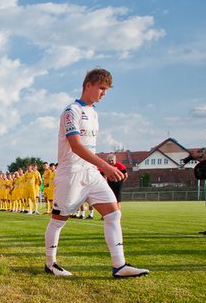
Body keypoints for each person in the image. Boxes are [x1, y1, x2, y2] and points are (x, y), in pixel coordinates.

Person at [44, 67, 149, 278]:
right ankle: (50, 264)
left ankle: (119, 266)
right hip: (71, 174)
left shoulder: (94, 113)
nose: (104, 93)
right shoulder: (71, 111)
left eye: (107, 89)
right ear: (88, 85)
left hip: (91, 173)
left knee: (113, 213)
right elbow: (76, 146)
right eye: (101, 88)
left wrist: (100, 167)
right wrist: (107, 166)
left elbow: (89, 148)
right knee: (58, 220)